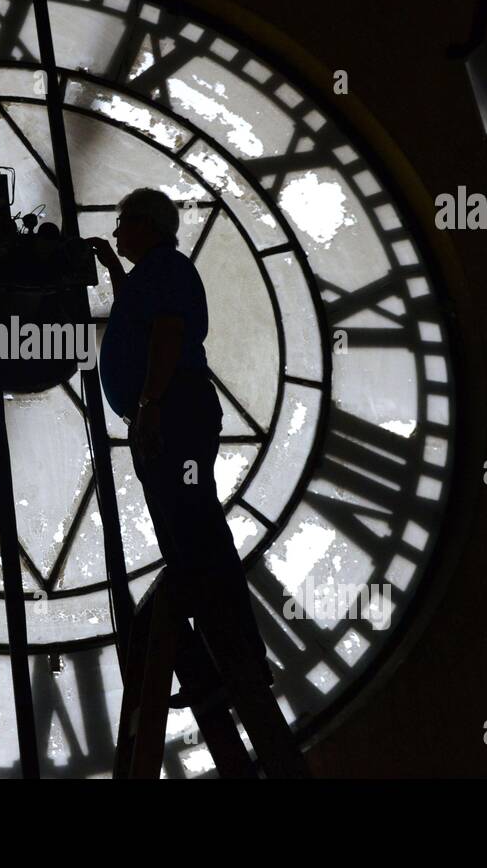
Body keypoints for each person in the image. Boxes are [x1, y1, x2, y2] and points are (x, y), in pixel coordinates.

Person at [88, 187, 308, 778]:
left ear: (146, 225)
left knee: (189, 522)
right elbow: (150, 315)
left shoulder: (164, 270)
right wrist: (113, 272)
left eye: (121, 225)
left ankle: (227, 636)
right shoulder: (160, 271)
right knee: (189, 519)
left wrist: (151, 405)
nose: (115, 235)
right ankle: (226, 639)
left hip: (171, 410)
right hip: (173, 410)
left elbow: (163, 334)